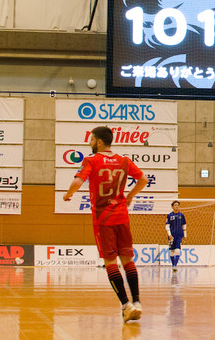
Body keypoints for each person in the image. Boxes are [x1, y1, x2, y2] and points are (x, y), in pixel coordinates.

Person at [63, 126, 149, 323]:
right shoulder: (124, 160)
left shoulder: (91, 160)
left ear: (99, 142)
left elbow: (78, 180)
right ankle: (137, 302)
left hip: (103, 218)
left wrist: (69, 194)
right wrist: (129, 196)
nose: (90, 143)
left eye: (91, 139)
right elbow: (143, 179)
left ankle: (126, 305)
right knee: (128, 260)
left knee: (110, 262)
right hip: (122, 216)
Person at [166, 200, 187, 272]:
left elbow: (184, 225)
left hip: (179, 235)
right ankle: (173, 265)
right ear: (172, 207)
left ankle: (175, 265)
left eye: (178, 205)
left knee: (178, 250)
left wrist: (185, 234)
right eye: (175, 205)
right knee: (172, 251)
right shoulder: (169, 215)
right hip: (172, 235)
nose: (177, 206)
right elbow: (167, 226)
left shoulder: (181, 215)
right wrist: (169, 234)